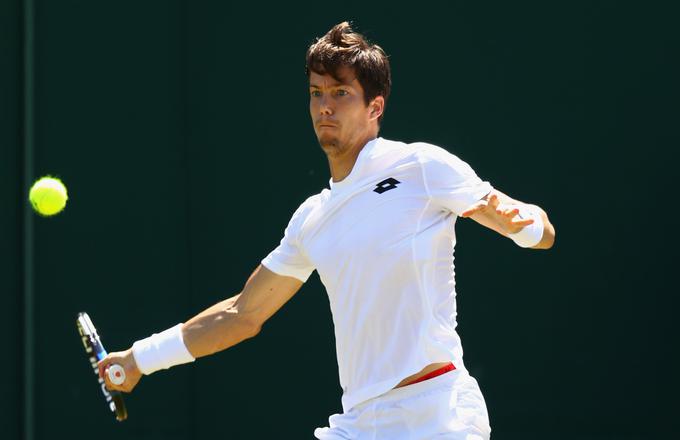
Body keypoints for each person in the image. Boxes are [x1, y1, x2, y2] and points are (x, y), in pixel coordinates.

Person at [99, 21, 555, 439]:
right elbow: (243, 314)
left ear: (375, 106)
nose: (325, 107)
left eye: (341, 93)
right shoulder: (311, 218)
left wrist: (525, 226)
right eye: (317, 93)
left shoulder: (421, 165)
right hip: (358, 422)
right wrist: (140, 359)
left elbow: (531, 225)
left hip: (436, 414)